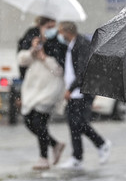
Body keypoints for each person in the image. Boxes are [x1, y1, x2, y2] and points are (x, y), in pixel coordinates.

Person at [57, 22, 111, 170]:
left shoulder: (81, 44)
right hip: (75, 93)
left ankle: (102, 144)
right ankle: (77, 158)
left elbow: (82, 70)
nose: (59, 35)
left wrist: (70, 88)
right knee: (73, 123)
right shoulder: (71, 45)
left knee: (79, 123)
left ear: (67, 31)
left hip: (82, 91)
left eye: (60, 31)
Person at [17, 17, 67, 170]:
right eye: (48, 26)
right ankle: (55, 144)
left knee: (39, 121)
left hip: (50, 89)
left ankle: (43, 157)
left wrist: (44, 58)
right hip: (33, 88)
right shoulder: (32, 37)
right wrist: (33, 50)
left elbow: (59, 69)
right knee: (28, 120)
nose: (50, 29)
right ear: (40, 26)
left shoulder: (59, 43)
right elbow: (21, 60)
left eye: (53, 26)